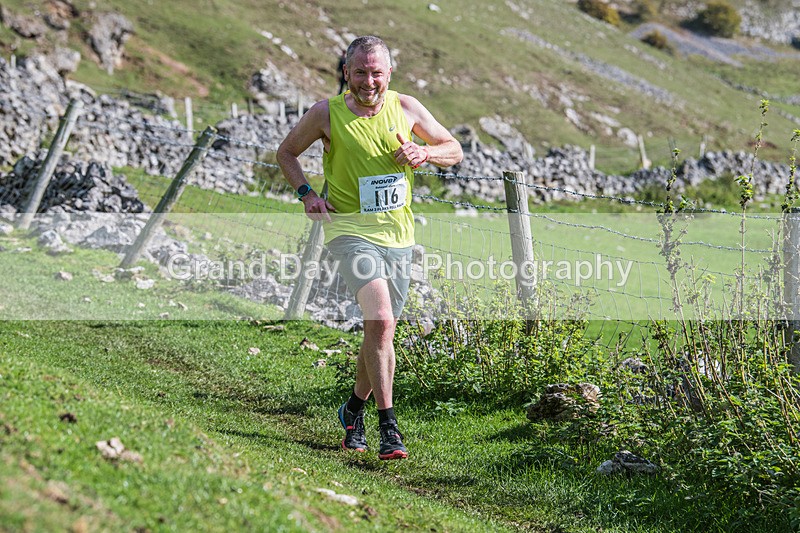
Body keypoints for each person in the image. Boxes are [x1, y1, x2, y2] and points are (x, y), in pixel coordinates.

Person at [277, 35, 463, 460]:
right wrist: (307, 193)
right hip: (348, 232)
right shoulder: (327, 113)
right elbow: (287, 152)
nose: (368, 81)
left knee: (381, 331)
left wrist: (425, 153)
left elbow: (454, 149)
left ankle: (353, 410)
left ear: (389, 73)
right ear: (346, 72)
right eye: (359, 72)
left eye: (376, 72)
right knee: (379, 320)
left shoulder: (406, 107)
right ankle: (389, 426)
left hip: (399, 237)